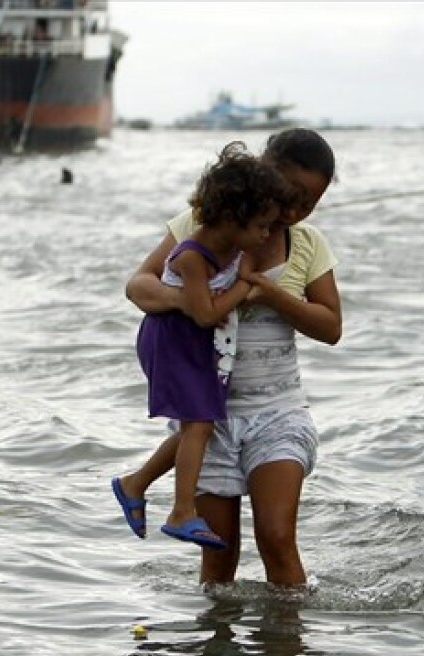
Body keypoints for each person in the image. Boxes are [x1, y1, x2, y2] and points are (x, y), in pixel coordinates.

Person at [115, 128, 340, 587]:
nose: (294, 211)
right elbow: (138, 285)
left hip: (278, 413)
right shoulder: (206, 225)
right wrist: (188, 302)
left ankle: (290, 641)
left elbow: (331, 327)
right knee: (219, 560)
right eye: (290, 196)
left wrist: (272, 293)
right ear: (263, 171)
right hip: (208, 419)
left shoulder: (307, 243)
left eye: (309, 204)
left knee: (277, 539)